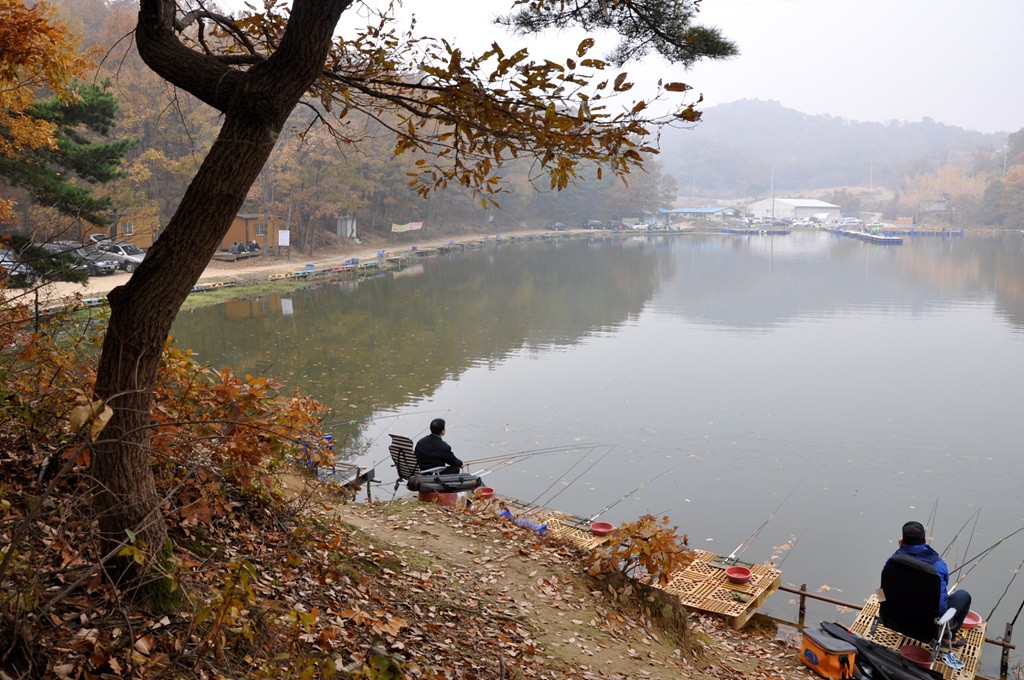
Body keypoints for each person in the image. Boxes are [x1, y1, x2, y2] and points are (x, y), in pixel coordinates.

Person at [887, 520, 972, 647]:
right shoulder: (938, 565)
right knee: (963, 596)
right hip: (926, 628)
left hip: (895, 619)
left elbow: (885, 587)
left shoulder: (892, 561)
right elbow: (941, 608)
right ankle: (947, 636)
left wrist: (900, 550)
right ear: (925, 540)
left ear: (902, 541)